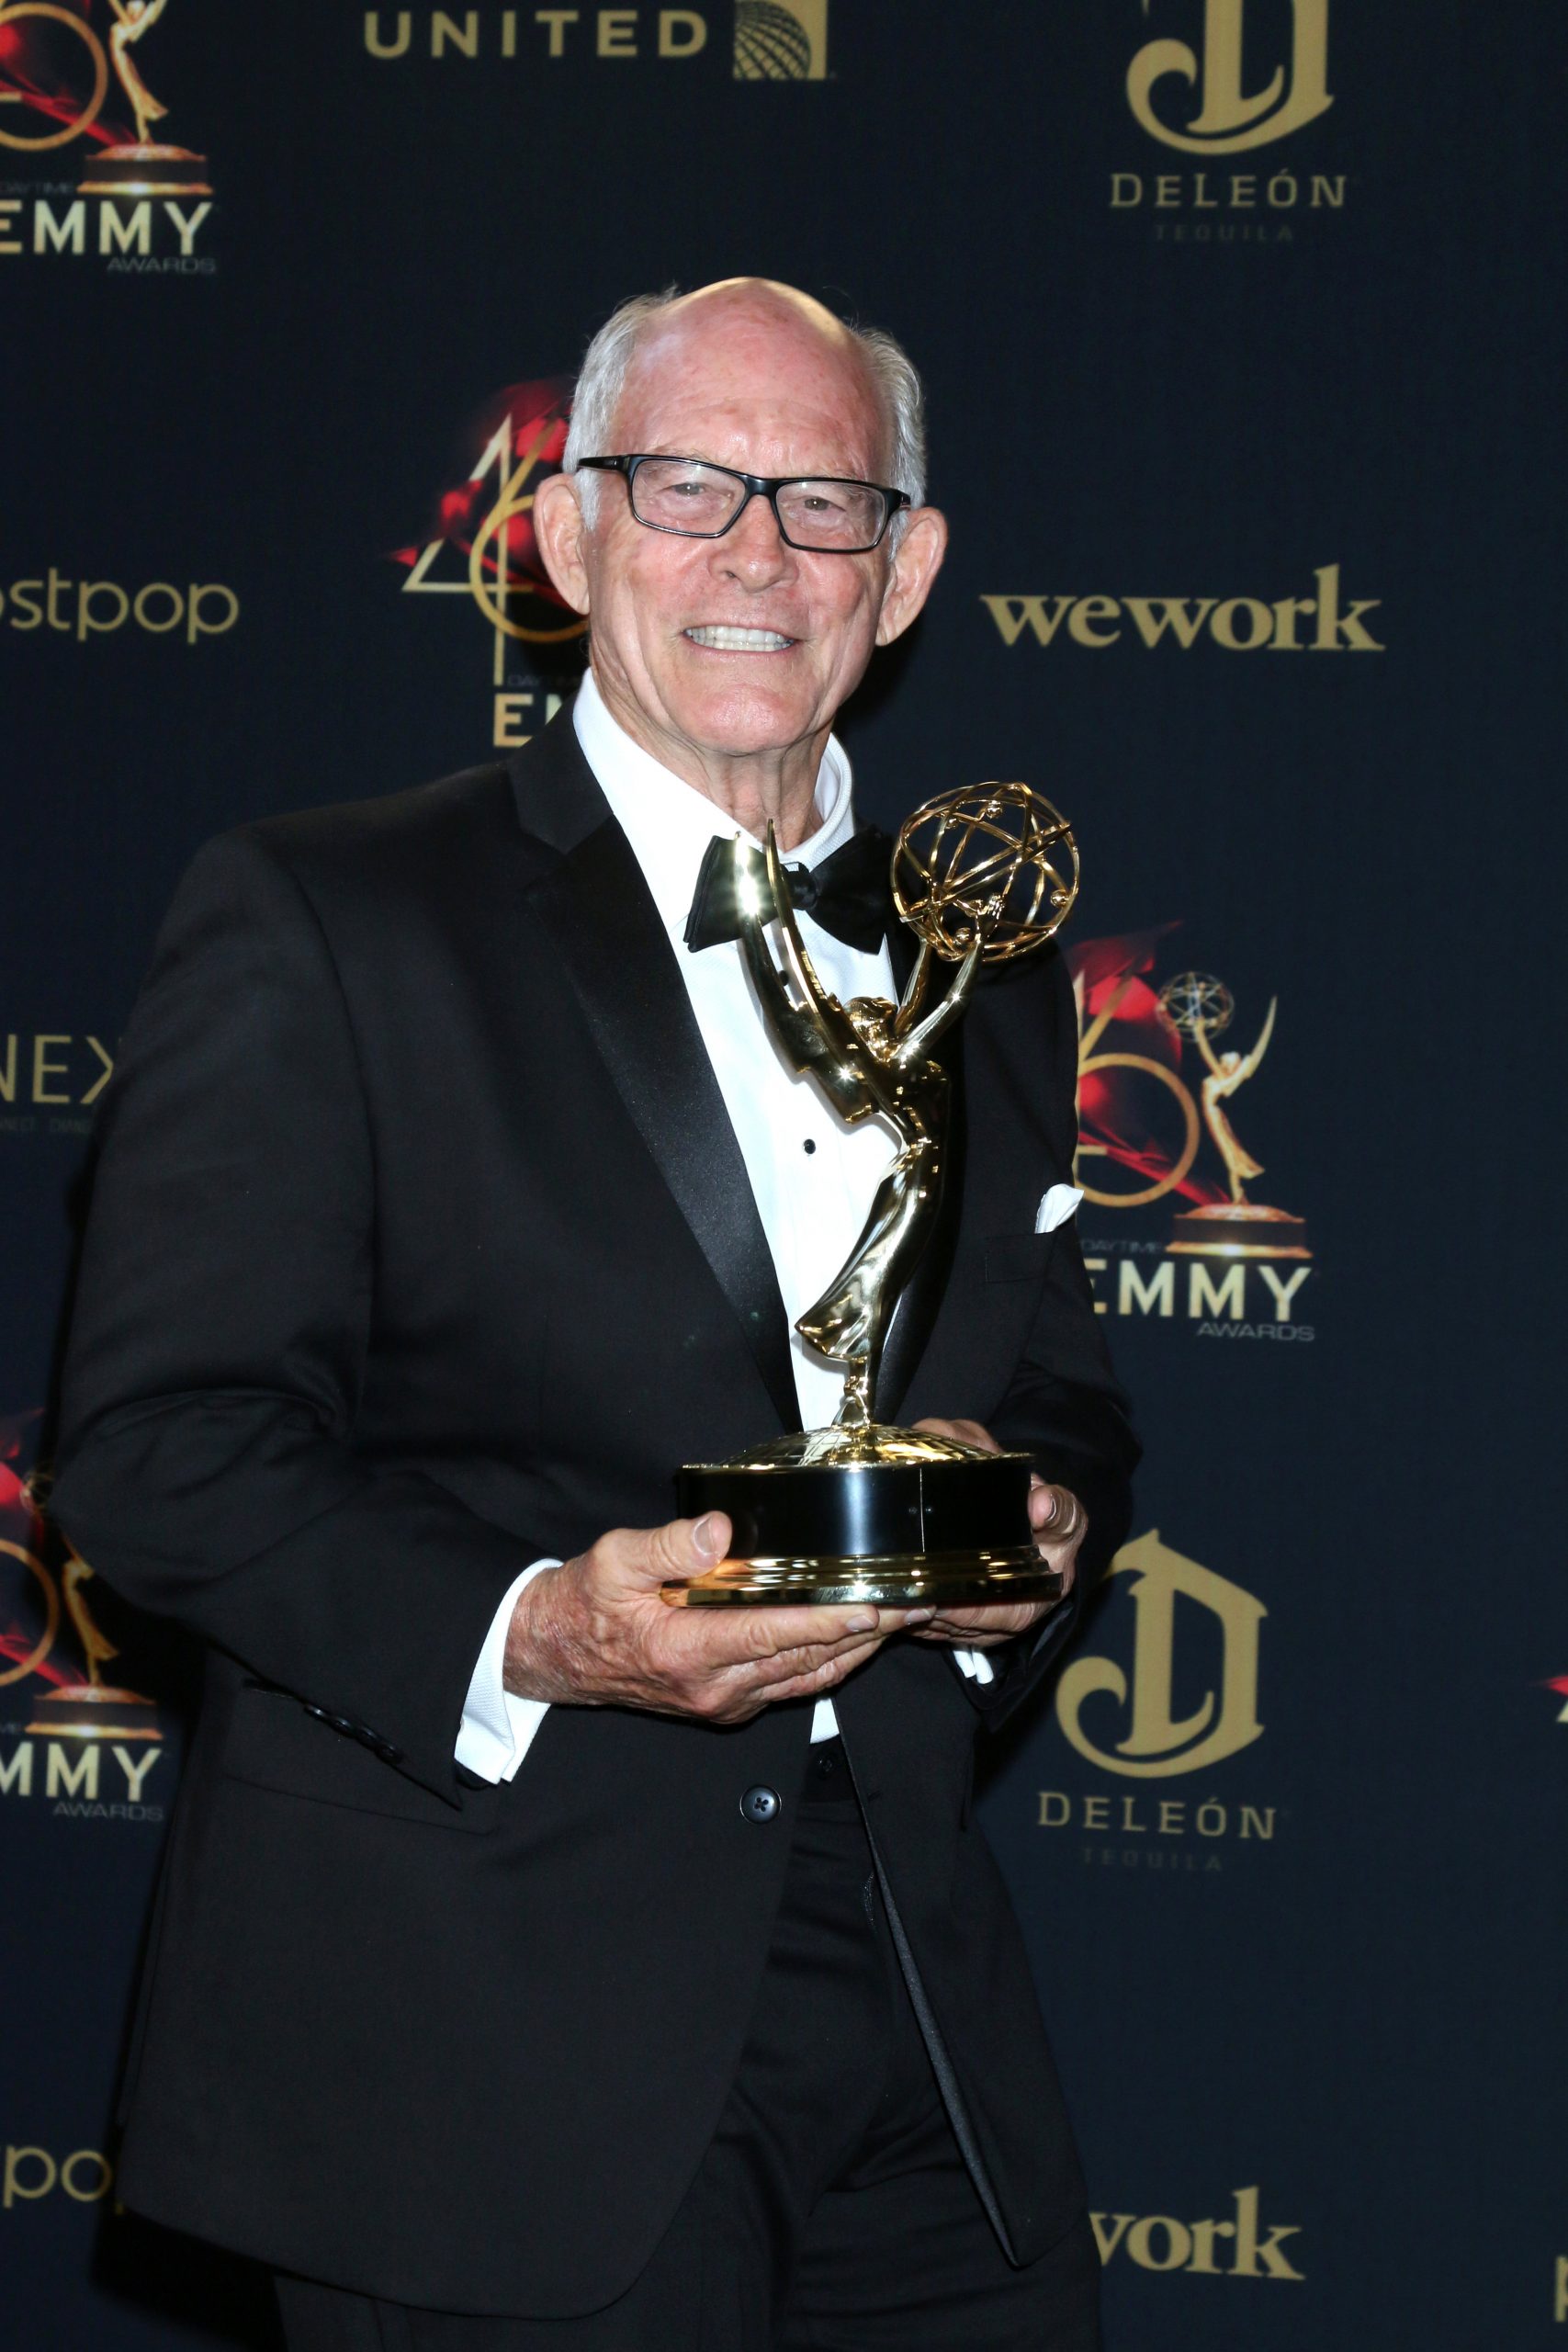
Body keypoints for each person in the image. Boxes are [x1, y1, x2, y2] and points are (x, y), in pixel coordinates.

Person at [53, 279, 1138, 2351]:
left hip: (912, 1993)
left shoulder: (982, 961)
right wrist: (540, 1622)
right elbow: (157, 1449)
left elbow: (1062, 1395)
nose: (753, 551)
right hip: (482, 2002)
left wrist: (1040, 1532)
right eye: (685, 485)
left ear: (901, 571)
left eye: (821, 499)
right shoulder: (323, 914)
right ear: (562, 541)